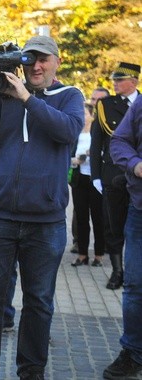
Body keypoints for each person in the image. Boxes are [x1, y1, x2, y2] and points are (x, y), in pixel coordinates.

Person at [0, 35, 84, 379]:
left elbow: (67, 131)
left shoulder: (69, 97)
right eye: (30, 59)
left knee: (39, 301)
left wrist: (26, 98)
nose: (36, 65)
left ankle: (31, 370)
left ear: (56, 62)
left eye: (43, 59)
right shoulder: (1, 99)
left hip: (45, 222)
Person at [91, 62, 139, 290]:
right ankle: (117, 270)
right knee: (113, 226)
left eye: (120, 80)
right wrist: (95, 175)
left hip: (138, 175)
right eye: (114, 80)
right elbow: (97, 142)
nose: (115, 84)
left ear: (134, 81)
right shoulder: (105, 105)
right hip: (113, 172)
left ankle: (133, 270)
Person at [105, 95, 142, 379]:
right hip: (139, 210)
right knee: (135, 286)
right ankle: (133, 353)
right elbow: (118, 142)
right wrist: (135, 164)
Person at [70, 102, 105, 267]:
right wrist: (75, 161)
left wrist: (95, 153)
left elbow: (107, 154)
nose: (81, 117)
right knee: (81, 218)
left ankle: (99, 255)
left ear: (92, 115)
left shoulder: (98, 134)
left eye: (84, 114)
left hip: (96, 180)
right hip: (79, 180)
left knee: (98, 218)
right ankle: (82, 254)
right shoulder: (74, 135)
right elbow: (66, 157)